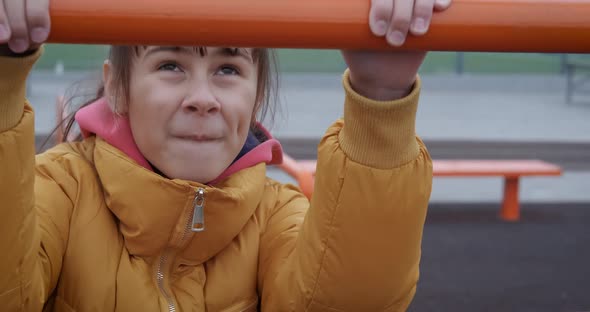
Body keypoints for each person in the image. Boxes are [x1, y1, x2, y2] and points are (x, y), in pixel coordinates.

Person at [0, 0, 451, 310]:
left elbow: (347, 302)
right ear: (118, 87)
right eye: (171, 65)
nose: (203, 98)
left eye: (228, 69)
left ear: (255, 99)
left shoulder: (276, 216)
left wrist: (380, 97)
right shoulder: (62, 189)